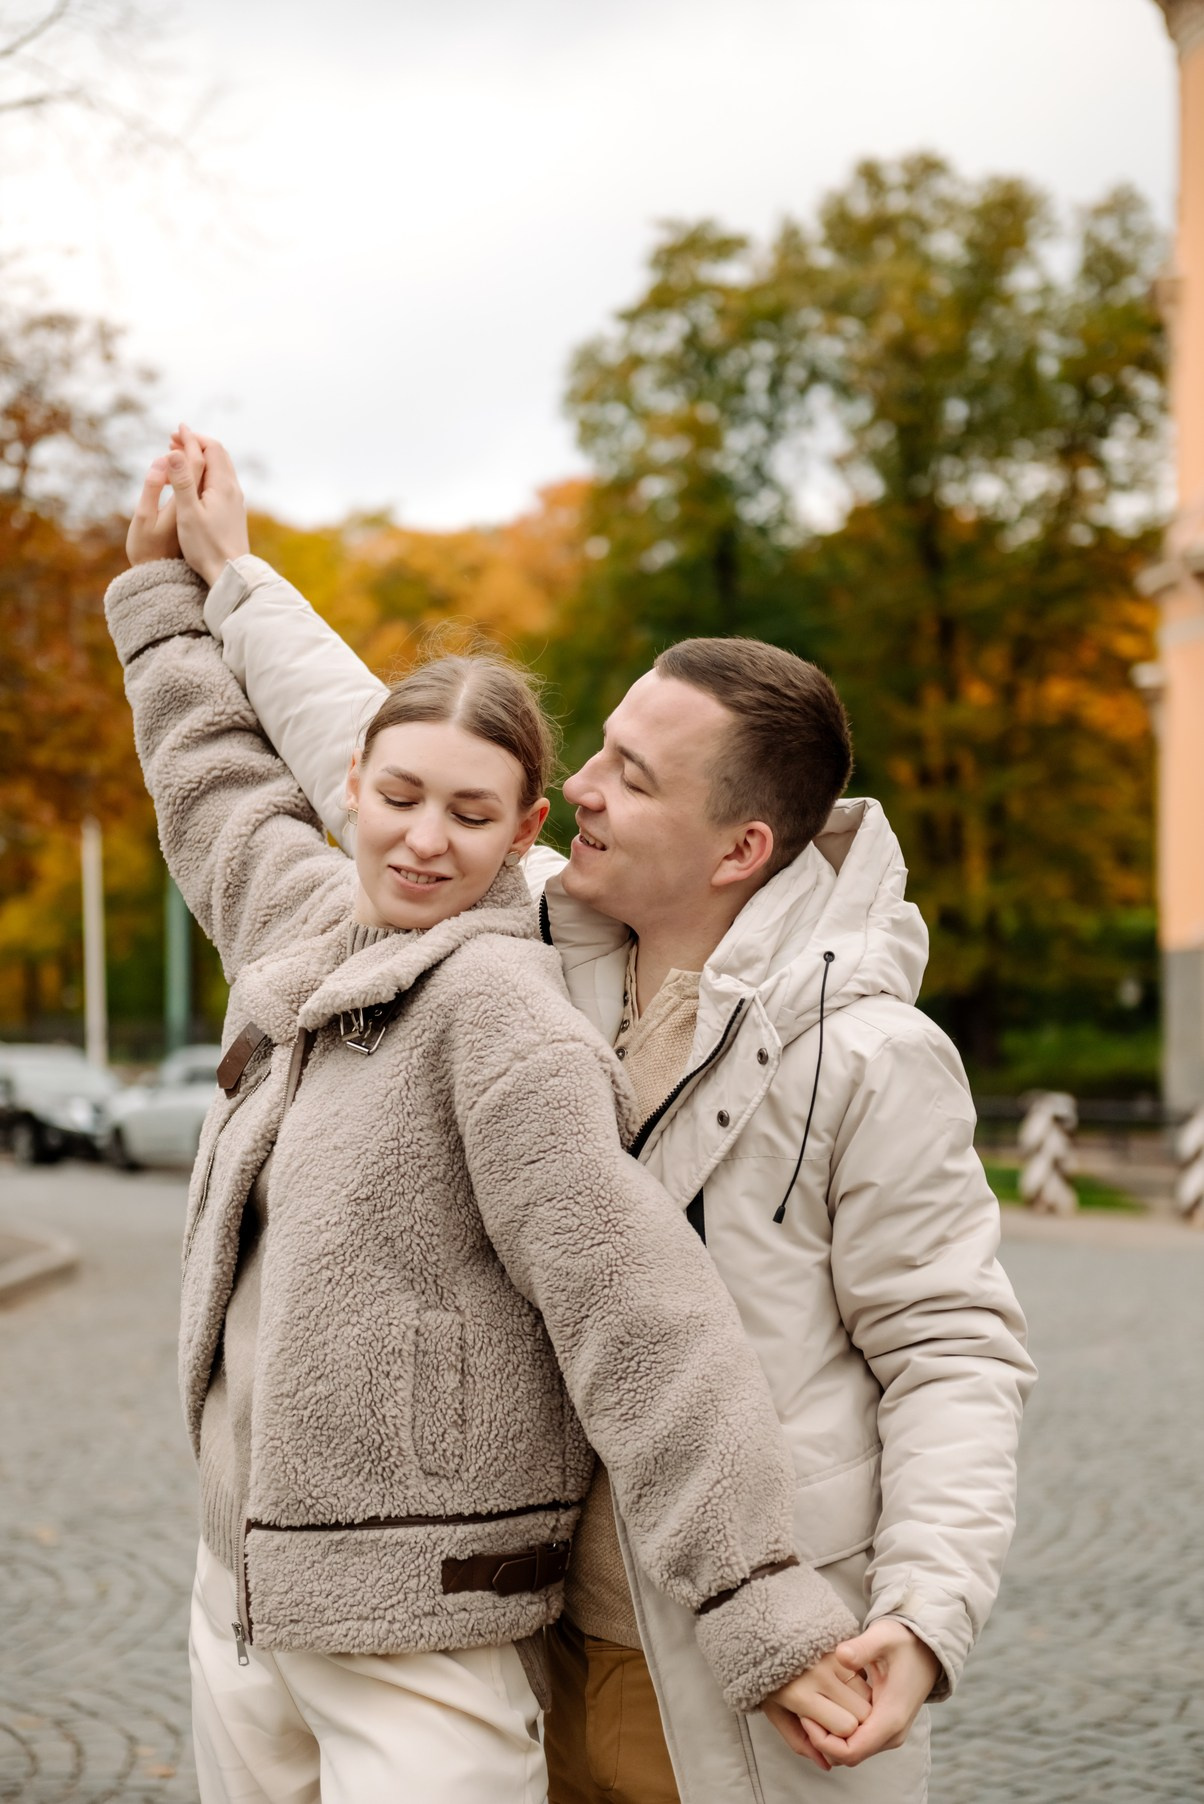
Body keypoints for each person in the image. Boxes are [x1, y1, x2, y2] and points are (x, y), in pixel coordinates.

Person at [154, 428, 1036, 1804]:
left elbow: (952, 1351)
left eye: (629, 773)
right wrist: (237, 577)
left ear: (740, 848)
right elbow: (379, 744)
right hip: (524, 1615)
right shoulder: (543, 932)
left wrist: (924, 1615)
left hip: (742, 1664)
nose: (580, 789)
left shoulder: (873, 1056)